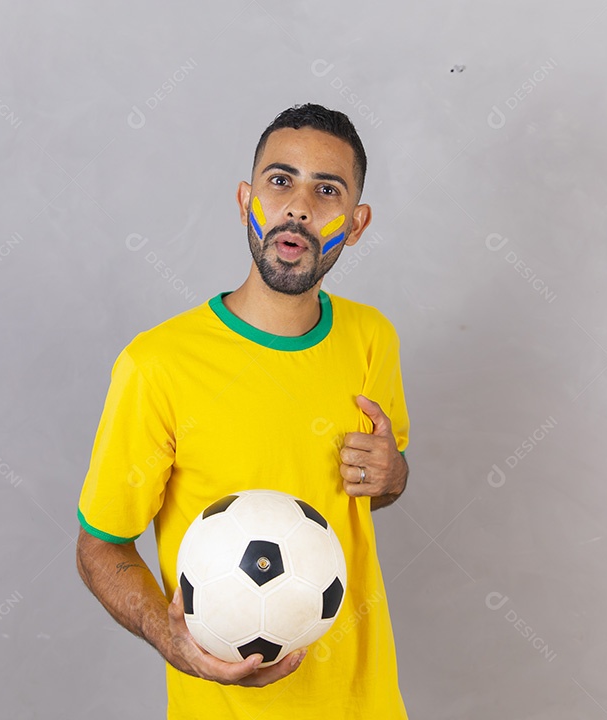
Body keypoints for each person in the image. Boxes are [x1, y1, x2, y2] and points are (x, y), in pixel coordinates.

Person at [76, 103, 411, 718]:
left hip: (365, 703)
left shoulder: (372, 339)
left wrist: (394, 475)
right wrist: (167, 634)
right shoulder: (157, 365)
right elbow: (100, 546)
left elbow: (375, 488)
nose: (299, 207)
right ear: (244, 199)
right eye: (280, 181)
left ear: (356, 223)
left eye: (327, 190)